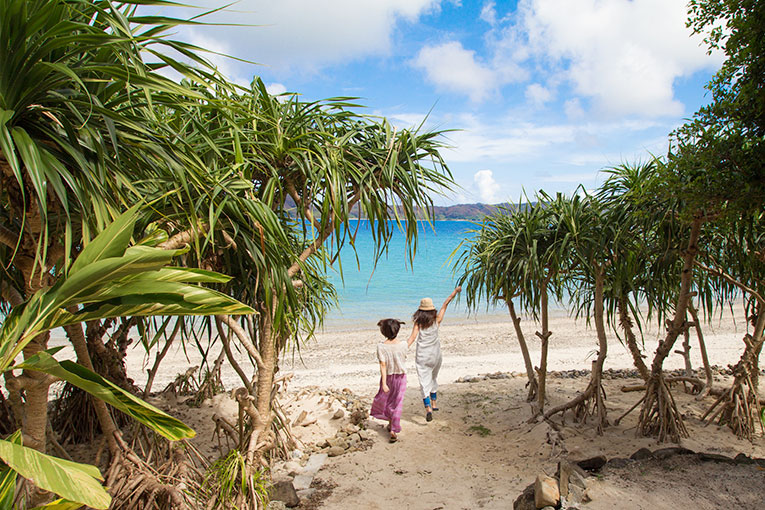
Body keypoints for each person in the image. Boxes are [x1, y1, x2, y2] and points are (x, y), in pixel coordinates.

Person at [407, 286, 461, 422]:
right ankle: (435, 403)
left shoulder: (418, 323)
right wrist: (455, 291)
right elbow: (446, 303)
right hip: (436, 356)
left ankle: (428, 409)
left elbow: (412, 338)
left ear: (420, 311)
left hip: (422, 357)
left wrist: (402, 348)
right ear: (432, 310)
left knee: (424, 382)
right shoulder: (437, 320)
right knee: (433, 377)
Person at [370, 318, 408, 443]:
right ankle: (393, 429)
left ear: (383, 332)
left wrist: (385, 383)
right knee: (397, 402)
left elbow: (383, 365)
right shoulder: (403, 345)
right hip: (401, 377)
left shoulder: (381, 347)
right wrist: (417, 325)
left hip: (388, 377)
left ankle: (392, 426)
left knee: (389, 401)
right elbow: (413, 338)